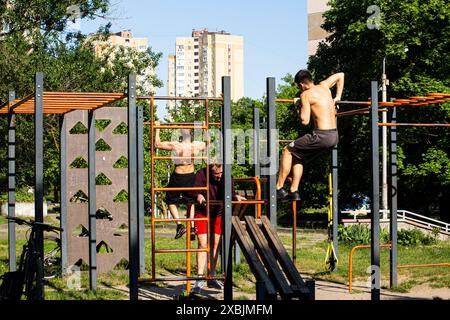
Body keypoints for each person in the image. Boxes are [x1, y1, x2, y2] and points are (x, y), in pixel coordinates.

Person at [276, 70, 343, 202]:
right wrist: (338, 97)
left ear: (301, 85)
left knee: (287, 150)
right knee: (298, 155)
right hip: (334, 135)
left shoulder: (305, 94)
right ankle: (294, 191)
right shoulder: (324, 85)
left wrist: (298, 105)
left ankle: (278, 188)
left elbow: (304, 121)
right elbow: (341, 75)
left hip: (321, 136)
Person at [191, 162, 246, 292]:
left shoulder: (227, 176)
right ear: (210, 170)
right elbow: (194, 191)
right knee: (202, 244)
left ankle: (212, 276)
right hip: (203, 212)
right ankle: (199, 278)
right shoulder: (201, 174)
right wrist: (198, 195)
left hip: (219, 213)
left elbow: (230, 193)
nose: (219, 176)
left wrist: (235, 196)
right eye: (216, 174)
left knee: (216, 244)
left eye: (220, 173)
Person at [154, 121, 206, 239]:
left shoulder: (181, 145)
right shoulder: (188, 145)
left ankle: (186, 225)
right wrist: (204, 128)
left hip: (182, 176)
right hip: (186, 176)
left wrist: (158, 127)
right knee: (185, 201)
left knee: (183, 201)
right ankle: (187, 226)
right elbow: (157, 144)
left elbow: (157, 144)